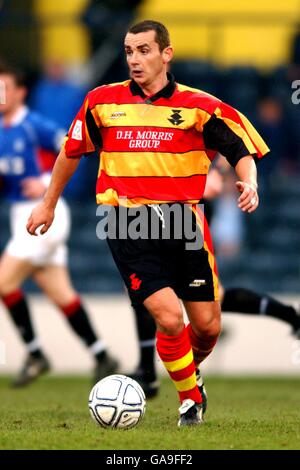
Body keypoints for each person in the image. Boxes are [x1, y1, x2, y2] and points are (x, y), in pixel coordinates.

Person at [26, 20, 269, 427]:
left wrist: (250, 181)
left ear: (165, 54)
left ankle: (187, 371)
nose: (134, 59)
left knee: (207, 328)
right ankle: (190, 402)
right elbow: (70, 152)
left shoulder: (200, 106)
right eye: (128, 51)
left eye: (143, 50)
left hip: (184, 224)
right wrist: (48, 204)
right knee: (170, 318)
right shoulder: (101, 101)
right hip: (126, 223)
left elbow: (239, 147)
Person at [129, 164, 300, 399]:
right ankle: (147, 371)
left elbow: (221, 160)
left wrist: (215, 174)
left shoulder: (204, 133)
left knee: (212, 297)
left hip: (187, 212)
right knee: (147, 292)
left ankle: (151, 372)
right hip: (155, 209)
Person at [0, 62, 118, 386]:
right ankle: (102, 354)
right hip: (21, 216)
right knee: (61, 294)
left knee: (3, 281)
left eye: (5, 87)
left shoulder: (33, 125)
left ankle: (36, 354)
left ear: (21, 92)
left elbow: (73, 150)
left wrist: (44, 183)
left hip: (46, 211)